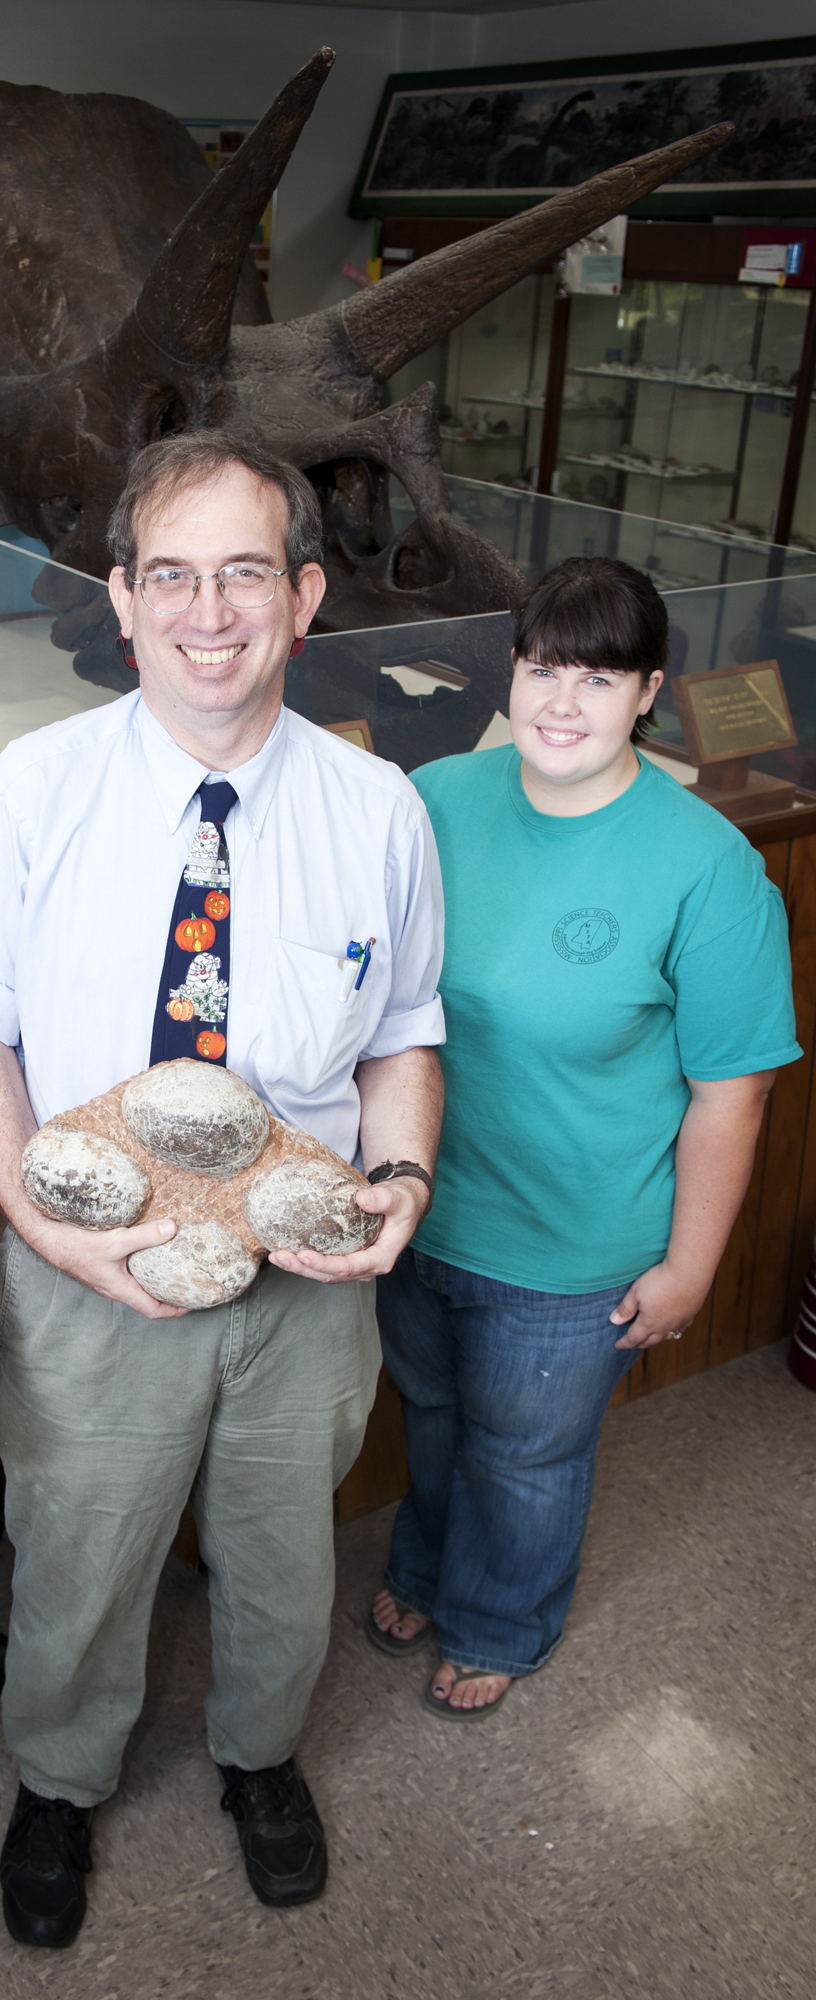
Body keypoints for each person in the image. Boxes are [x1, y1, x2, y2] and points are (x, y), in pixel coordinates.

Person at [0, 432, 445, 1947]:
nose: (205, 611)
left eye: (241, 575)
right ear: (122, 595)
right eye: (171, 575)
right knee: (80, 1545)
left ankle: (259, 1757)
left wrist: (399, 1174)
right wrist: (31, 1222)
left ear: (301, 597)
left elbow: (403, 1033)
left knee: (283, 1549)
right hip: (91, 1259)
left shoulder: (378, 813)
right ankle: (57, 1776)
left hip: (303, 1270)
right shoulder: (33, 791)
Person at [367, 556, 801, 1717]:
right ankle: (421, 1564)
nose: (560, 702)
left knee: (522, 1455)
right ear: (508, 669)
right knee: (435, 1414)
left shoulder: (706, 866)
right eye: (542, 667)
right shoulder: (437, 796)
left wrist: (689, 1266)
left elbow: (730, 1093)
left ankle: (498, 1619)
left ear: (647, 689)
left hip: (570, 1247)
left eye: (598, 678)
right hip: (414, 1208)